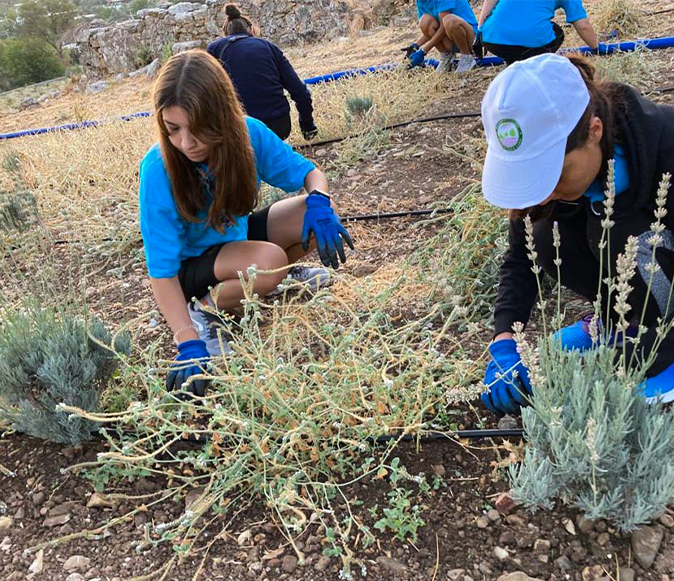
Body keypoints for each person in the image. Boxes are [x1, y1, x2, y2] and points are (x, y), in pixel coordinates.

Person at [478, 53, 674, 415]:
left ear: (595, 131)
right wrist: (505, 340)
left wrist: (618, 362)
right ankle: (619, 323)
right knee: (543, 234)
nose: (544, 189)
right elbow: (520, 256)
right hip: (656, 260)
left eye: (554, 172)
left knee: (625, 232)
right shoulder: (570, 173)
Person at [138, 50, 353, 396]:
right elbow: (161, 272)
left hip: (233, 241)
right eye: (173, 129)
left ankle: (265, 282)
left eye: (198, 129)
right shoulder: (158, 169)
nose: (186, 143)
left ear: (221, 115)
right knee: (270, 262)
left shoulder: (248, 134)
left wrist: (320, 201)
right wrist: (186, 341)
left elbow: (311, 174)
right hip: (191, 270)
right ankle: (203, 313)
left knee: (307, 215)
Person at [206, 4, 318, 141]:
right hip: (278, 125)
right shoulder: (269, 47)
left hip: (238, 127)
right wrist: (308, 126)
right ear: (251, 30)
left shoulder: (214, 50)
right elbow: (300, 92)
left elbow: (205, 95)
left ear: (226, 34)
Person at [473, 0, 602, 65]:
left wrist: (480, 30)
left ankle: (513, 65)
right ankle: (536, 68)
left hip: (491, 39)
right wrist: (597, 48)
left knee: (514, 46)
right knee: (556, 32)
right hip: (530, 43)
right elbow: (582, 25)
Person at [402, 0, 479, 74]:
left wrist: (423, 51)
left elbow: (443, 27)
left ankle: (467, 57)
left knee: (449, 20)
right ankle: (446, 57)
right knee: (425, 21)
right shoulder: (421, 1)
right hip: (451, 38)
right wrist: (416, 45)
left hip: (469, 38)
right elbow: (431, 30)